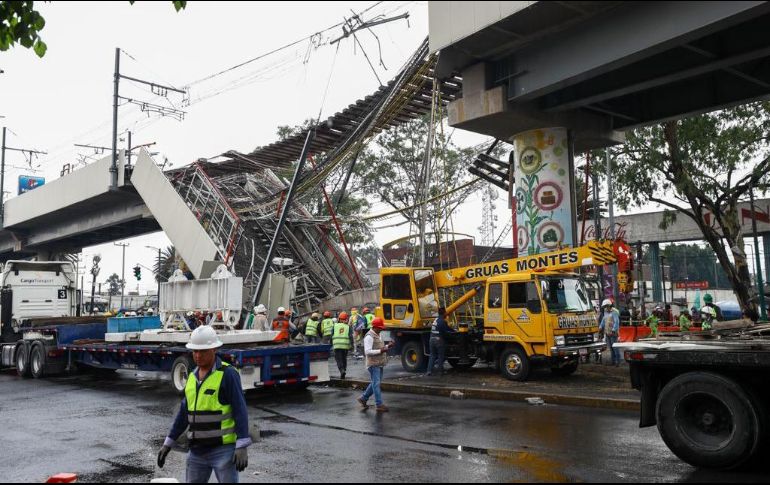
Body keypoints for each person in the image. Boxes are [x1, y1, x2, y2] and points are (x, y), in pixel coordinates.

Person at [157, 326, 250, 483]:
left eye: (203, 351)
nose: (198, 356)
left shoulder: (228, 374)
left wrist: (242, 444)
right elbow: (183, 414)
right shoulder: (192, 377)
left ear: (214, 349)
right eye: (195, 351)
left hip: (223, 450)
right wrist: (169, 442)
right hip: (197, 451)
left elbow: (240, 410)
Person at [357, 317, 393, 412]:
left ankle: (363, 398)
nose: (381, 329)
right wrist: (381, 350)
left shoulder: (377, 334)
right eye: (380, 328)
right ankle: (379, 404)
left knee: (374, 383)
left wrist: (387, 346)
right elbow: (367, 352)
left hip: (379, 363)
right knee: (376, 384)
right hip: (373, 364)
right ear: (375, 327)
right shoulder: (369, 336)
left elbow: (380, 347)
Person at [426, 307, 455, 376]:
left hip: (431, 339)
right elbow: (445, 332)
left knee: (432, 355)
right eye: (445, 313)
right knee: (441, 356)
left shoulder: (436, 320)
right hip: (438, 340)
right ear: (444, 313)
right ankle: (440, 371)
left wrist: (452, 330)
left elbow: (446, 328)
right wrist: (454, 334)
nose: (446, 314)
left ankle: (429, 371)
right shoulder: (442, 321)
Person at [598, 299, 621, 366]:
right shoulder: (605, 312)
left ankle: (617, 361)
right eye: (604, 307)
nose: (605, 308)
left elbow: (617, 322)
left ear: (609, 305)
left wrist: (614, 330)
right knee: (610, 348)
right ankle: (613, 361)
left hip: (613, 333)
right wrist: (600, 327)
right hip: (607, 332)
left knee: (615, 347)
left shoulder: (614, 312)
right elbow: (603, 320)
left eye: (606, 306)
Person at [332, 311, 354, 379]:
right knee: (344, 359)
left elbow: (331, 335)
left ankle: (342, 370)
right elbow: (350, 337)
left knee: (339, 359)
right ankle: (344, 370)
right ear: (346, 319)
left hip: (337, 346)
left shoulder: (335, 326)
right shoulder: (348, 327)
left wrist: (330, 343)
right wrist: (352, 346)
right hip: (345, 346)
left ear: (339, 319)